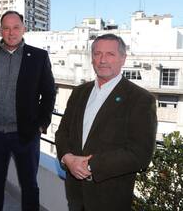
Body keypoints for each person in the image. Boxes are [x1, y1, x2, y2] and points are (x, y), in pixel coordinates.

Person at [55, 33, 157, 211]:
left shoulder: (140, 99)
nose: (102, 60)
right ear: (92, 58)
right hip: (76, 193)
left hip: (110, 197)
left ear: (123, 58)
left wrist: (91, 165)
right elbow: (62, 133)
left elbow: (140, 154)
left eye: (110, 54)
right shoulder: (79, 92)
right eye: (97, 54)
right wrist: (67, 158)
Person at [0, 10, 56, 211]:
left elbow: (49, 93)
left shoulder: (38, 57)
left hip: (26, 135)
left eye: (16, 27)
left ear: (24, 29)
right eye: (6, 28)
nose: (11, 32)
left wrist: (41, 125)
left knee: (29, 186)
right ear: (0, 30)